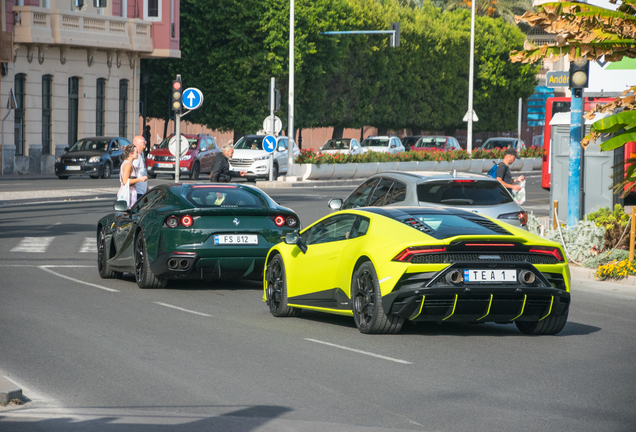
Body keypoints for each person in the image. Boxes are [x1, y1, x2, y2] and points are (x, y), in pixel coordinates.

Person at [120, 143, 147, 208]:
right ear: (130, 154)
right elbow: (125, 181)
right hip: (128, 193)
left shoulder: (129, 164)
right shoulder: (128, 165)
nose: (138, 154)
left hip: (131, 193)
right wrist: (140, 179)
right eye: (136, 152)